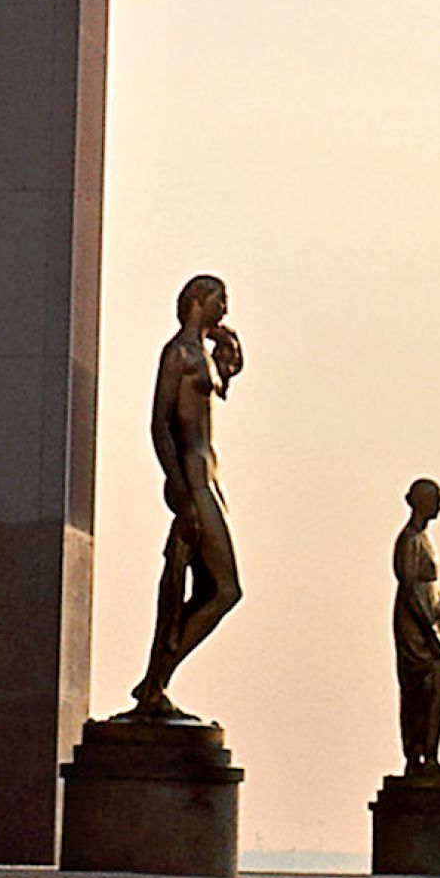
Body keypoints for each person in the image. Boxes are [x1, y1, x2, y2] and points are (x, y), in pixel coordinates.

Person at [127, 274, 245, 718]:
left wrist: (228, 353)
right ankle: (155, 679)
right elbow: (160, 422)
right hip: (193, 478)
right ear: (199, 300)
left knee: (215, 588)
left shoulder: (202, 356)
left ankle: (156, 680)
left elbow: (222, 383)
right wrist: (175, 481)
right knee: (227, 588)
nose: (225, 310)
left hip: (209, 477)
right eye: (220, 301)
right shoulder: (177, 353)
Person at [394, 477, 440, 773]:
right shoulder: (409, 540)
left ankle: (428, 754)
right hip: (414, 627)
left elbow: (428, 586)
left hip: (428, 621)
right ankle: (420, 755)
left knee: (434, 687)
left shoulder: (425, 539)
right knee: (431, 684)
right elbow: (409, 588)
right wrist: (427, 628)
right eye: (436, 499)